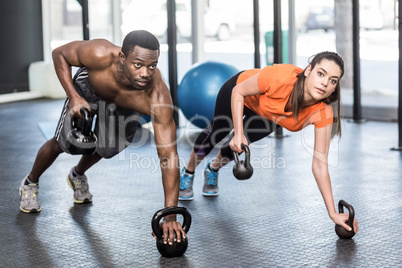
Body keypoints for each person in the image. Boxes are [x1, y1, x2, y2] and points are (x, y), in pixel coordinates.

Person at [19, 30, 186, 243]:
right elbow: (59, 53)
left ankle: (77, 175)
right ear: (123, 58)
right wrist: (74, 97)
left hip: (125, 105)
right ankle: (30, 182)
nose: (145, 73)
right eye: (138, 65)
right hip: (89, 89)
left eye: (152, 66)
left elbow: (168, 156)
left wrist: (170, 214)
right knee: (66, 143)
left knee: (107, 149)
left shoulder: (157, 96)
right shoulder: (99, 53)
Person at [179, 51, 359, 233]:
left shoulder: (323, 112)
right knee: (217, 133)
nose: (325, 83)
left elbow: (320, 166)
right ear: (308, 70)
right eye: (321, 73)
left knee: (240, 148)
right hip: (240, 90)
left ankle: (213, 168)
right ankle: (188, 171)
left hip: (268, 113)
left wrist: (333, 213)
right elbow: (238, 92)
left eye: (333, 80)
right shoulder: (280, 77)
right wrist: (238, 132)